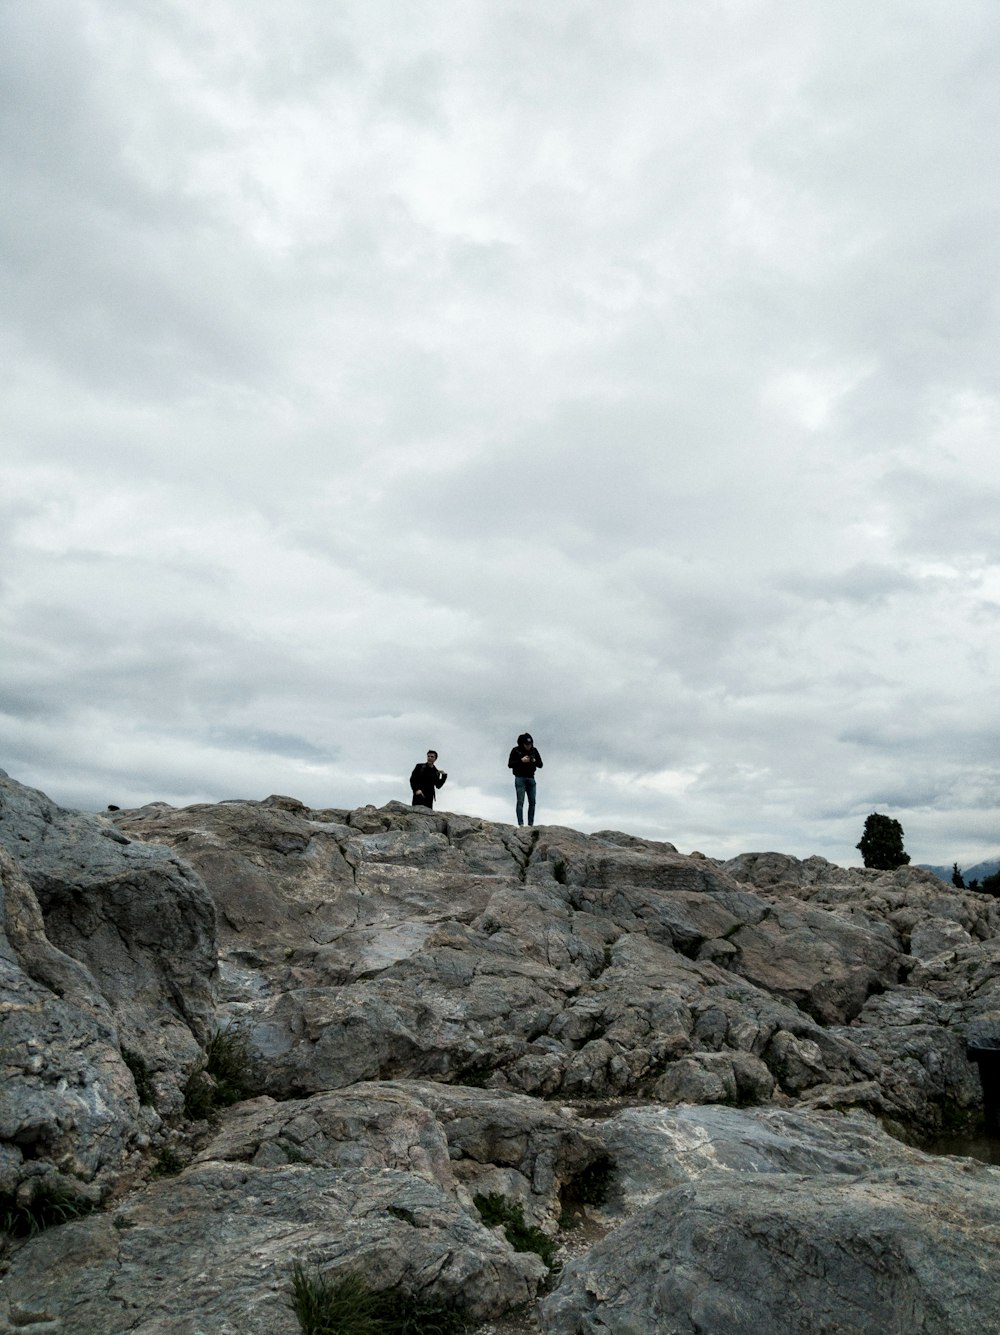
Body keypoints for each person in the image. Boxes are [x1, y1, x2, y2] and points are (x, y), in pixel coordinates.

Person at [508, 732, 542, 826]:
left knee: (532, 802)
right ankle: (521, 824)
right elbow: (510, 764)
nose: (529, 746)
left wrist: (532, 760)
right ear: (522, 743)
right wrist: (521, 761)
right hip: (520, 778)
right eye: (527, 744)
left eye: (530, 744)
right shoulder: (515, 750)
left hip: (531, 778)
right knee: (520, 801)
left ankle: (530, 824)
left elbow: (540, 764)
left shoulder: (534, 751)